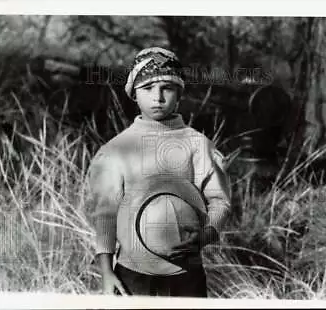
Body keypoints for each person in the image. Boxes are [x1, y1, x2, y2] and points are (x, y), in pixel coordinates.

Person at [87, 47, 232, 297]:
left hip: (186, 272)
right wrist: (106, 271)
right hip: (132, 272)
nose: (158, 97)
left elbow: (220, 201)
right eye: (147, 88)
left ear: (180, 94)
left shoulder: (198, 145)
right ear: (133, 94)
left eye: (167, 88)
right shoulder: (117, 149)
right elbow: (106, 213)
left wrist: (205, 235)